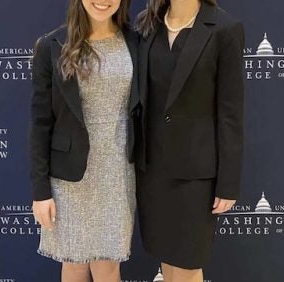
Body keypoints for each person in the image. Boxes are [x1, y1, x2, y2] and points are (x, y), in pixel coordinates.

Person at [135, 0, 245, 281]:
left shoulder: (224, 29)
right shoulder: (147, 24)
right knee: (168, 261)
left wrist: (228, 182)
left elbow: (230, 112)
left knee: (187, 264)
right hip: (153, 171)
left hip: (196, 176)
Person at [29, 0, 139, 281]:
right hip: (70, 178)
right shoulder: (51, 45)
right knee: (74, 263)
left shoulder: (137, 43)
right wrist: (41, 193)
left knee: (108, 266)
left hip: (118, 174)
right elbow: (41, 124)